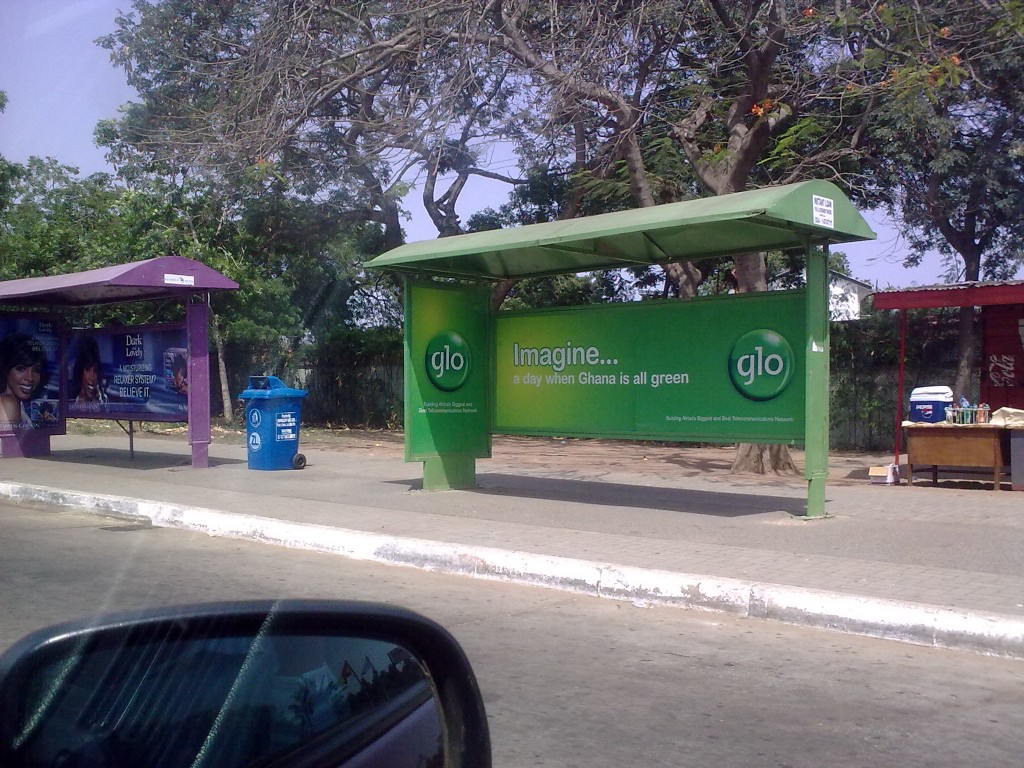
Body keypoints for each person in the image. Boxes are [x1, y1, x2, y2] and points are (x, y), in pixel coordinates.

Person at [0, 333, 48, 429]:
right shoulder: (8, 403)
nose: (30, 378)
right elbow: (11, 444)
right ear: (6, 369)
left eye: (36, 370)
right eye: (21, 369)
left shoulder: (16, 402)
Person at [71, 337, 106, 407]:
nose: (92, 378)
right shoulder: (67, 399)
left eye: (95, 371)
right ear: (80, 371)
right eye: (87, 370)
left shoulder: (104, 400)